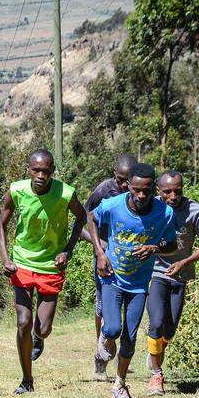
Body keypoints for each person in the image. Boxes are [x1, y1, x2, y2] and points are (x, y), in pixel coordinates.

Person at [0, 148, 87, 394]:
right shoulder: (16, 191)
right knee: (23, 322)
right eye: (36, 170)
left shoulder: (65, 194)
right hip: (22, 262)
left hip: (51, 265)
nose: (40, 175)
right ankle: (27, 380)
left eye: (46, 171)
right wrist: (6, 258)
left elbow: (82, 218)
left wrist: (67, 250)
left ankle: (38, 338)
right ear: (29, 169)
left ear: (52, 172)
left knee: (42, 329)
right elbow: (1, 224)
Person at [87, 163, 177, 398]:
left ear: (154, 188)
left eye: (147, 191)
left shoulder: (164, 213)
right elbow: (91, 217)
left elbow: (172, 245)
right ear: (128, 186)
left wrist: (154, 247)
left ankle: (119, 385)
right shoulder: (114, 205)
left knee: (130, 336)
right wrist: (100, 253)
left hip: (139, 284)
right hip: (113, 278)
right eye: (136, 190)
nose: (141, 196)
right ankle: (104, 337)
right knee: (114, 329)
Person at [146, 170, 199, 396]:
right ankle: (156, 375)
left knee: (169, 331)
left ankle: (156, 351)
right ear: (158, 191)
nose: (173, 196)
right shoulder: (150, 206)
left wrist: (185, 261)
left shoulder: (196, 211)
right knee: (155, 323)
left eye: (177, 191)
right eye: (167, 192)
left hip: (180, 275)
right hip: (155, 273)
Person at [81, 154, 136, 381]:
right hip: (105, 259)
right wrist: (98, 246)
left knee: (128, 308)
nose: (124, 185)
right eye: (121, 180)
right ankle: (100, 353)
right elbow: (84, 215)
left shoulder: (141, 193)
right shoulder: (104, 189)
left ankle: (123, 353)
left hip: (131, 260)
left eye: (128, 180)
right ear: (114, 174)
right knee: (103, 306)